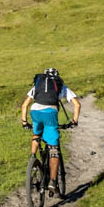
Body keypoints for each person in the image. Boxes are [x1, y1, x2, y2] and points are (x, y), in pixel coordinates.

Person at [20, 67, 80, 196]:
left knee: (37, 134)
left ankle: (32, 158)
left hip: (35, 111)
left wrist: (25, 123)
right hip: (50, 113)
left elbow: (24, 106)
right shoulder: (61, 86)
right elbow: (77, 104)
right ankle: (53, 181)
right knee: (54, 150)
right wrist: (74, 121)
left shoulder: (37, 85)